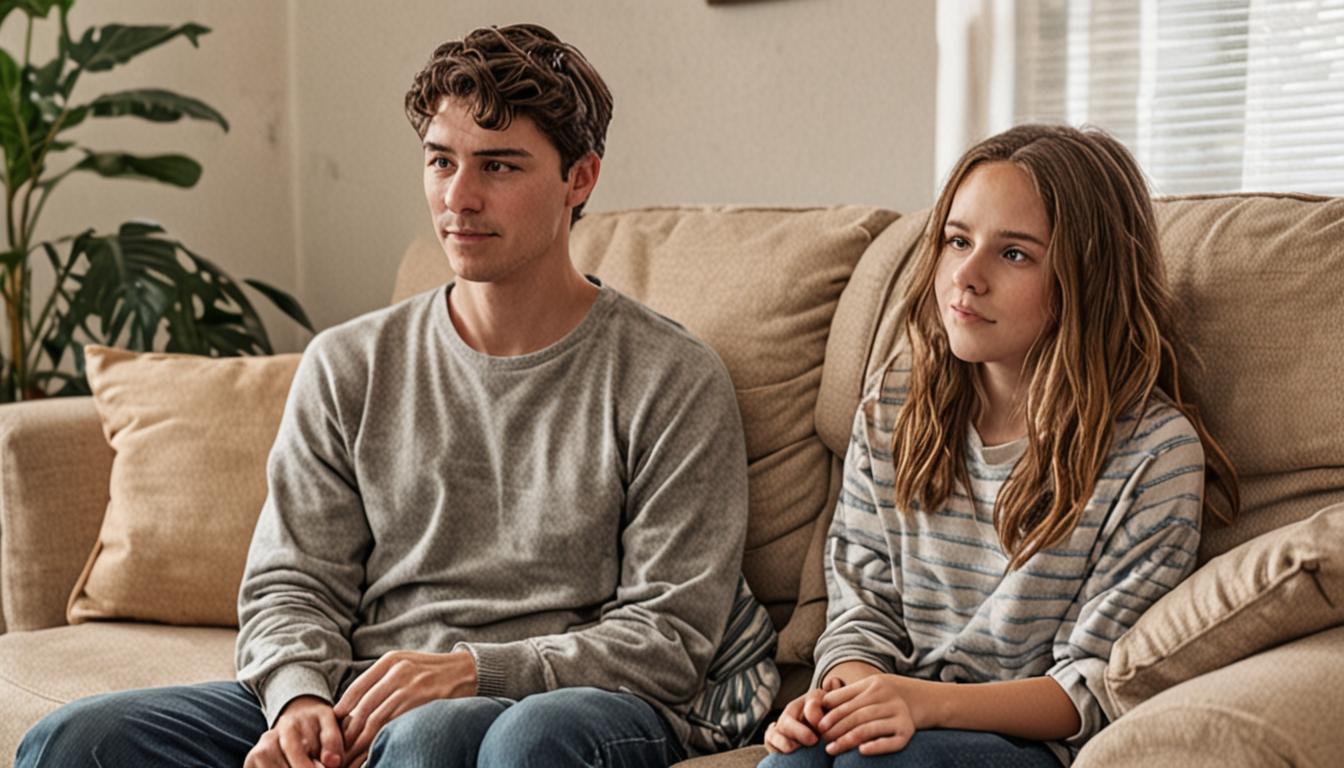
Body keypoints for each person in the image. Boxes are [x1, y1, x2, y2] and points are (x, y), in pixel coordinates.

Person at [18, 23, 771, 768]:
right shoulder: (348, 363)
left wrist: (473, 670)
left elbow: (670, 636)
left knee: (432, 735)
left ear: (580, 179)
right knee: (77, 741)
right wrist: (299, 701)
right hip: (365, 693)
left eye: (499, 167)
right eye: (441, 162)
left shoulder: (670, 376)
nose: (460, 197)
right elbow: (292, 579)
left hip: (553, 702)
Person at [759, 124, 1238, 767]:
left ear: (1087, 277)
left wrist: (924, 703)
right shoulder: (895, 404)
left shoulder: (1153, 456)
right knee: (797, 760)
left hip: (1026, 744)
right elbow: (860, 612)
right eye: (958, 241)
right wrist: (840, 694)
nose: (967, 275)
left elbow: (1095, 687)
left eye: (1014, 254)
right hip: (903, 715)